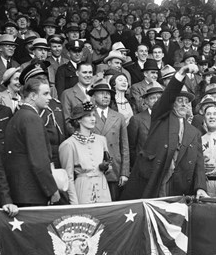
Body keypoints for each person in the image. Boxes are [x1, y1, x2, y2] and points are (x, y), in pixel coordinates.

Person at [120, 63, 208, 200]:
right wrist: (181, 73)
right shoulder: (160, 117)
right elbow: (168, 95)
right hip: (154, 181)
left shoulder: (194, 132)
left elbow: (198, 163)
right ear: (172, 103)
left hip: (179, 187)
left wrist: (201, 187)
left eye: (186, 101)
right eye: (179, 100)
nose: (184, 104)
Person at [3, 63, 59, 206]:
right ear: (33, 96)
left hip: (21, 190)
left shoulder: (19, 115)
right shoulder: (31, 118)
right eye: (45, 94)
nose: (49, 98)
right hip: (32, 191)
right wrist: (51, 189)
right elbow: (39, 160)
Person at [58, 101, 112, 205]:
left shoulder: (101, 140)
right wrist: (74, 203)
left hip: (103, 188)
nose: (93, 119)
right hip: (83, 189)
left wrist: (106, 167)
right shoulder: (68, 145)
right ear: (79, 120)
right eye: (88, 116)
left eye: (93, 115)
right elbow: (69, 178)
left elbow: (109, 167)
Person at [89, 81, 130, 200]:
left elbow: (125, 146)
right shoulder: (88, 116)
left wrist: (124, 172)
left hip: (114, 168)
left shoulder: (119, 117)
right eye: (101, 93)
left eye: (108, 94)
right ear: (94, 96)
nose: (106, 96)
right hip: (93, 166)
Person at [127, 82, 163, 167]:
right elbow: (131, 147)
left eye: (159, 98)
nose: (156, 100)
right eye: (152, 98)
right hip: (144, 167)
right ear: (146, 101)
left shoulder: (169, 118)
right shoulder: (137, 120)